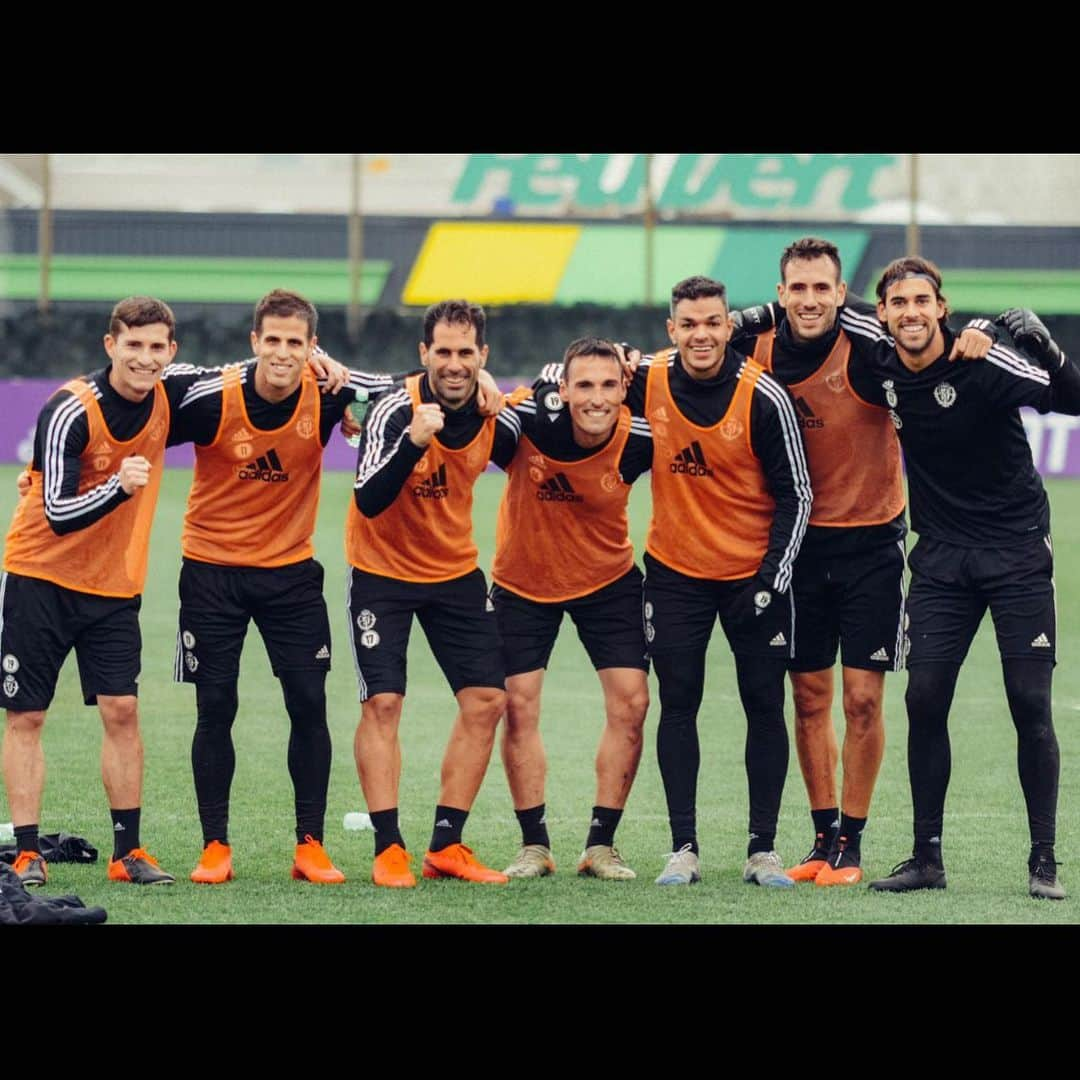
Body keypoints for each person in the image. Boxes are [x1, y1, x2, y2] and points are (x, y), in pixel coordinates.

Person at [832, 258, 1080, 900]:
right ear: (883, 314)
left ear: (941, 307)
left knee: (1029, 704)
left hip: (1018, 553)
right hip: (941, 559)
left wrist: (1041, 342)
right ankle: (927, 860)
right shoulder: (879, 354)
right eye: (897, 303)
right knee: (923, 700)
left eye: (922, 300)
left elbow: (1073, 400)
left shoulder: (986, 362)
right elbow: (827, 297)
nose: (910, 312)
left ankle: (1044, 862)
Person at [172, 289, 402, 886]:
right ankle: (215, 847)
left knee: (308, 704)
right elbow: (144, 395)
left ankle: (310, 846)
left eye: (294, 342)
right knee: (215, 707)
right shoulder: (211, 397)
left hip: (291, 575)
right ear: (254, 342)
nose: (281, 352)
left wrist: (349, 379)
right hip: (211, 573)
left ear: (311, 348)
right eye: (271, 339)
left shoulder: (328, 393)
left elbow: (405, 387)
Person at [627, 276, 813, 888]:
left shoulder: (764, 397)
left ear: (728, 327)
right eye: (689, 323)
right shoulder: (645, 378)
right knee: (678, 705)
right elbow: (579, 381)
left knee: (765, 707)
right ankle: (684, 848)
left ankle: (763, 851)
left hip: (751, 581)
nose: (701, 334)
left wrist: (772, 579)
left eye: (713, 322)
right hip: (675, 576)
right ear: (671, 330)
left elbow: (798, 496)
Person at [2, 297, 186, 887]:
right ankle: (28, 851)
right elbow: (56, 509)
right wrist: (118, 487)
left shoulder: (170, 390)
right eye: (133, 345)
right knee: (27, 714)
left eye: (157, 346)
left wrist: (324, 366)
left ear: (171, 352)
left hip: (110, 585)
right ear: (111, 346)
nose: (145, 357)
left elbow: (245, 375)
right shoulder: (70, 408)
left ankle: (127, 853)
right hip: (39, 576)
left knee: (123, 710)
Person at [346, 299, 518, 887]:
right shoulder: (397, 408)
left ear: (482, 357)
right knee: (383, 703)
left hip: (453, 574)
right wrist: (415, 441)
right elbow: (367, 497)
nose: (453, 363)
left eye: (465, 353)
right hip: (381, 572)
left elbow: (547, 410)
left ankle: (447, 843)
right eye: (442, 351)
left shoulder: (493, 410)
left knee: (488, 700)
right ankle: (389, 846)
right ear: (423, 354)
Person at [488, 338, 653, 880]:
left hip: (607, 581)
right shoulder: (527, 421)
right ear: (563, 389)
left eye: (608, 385)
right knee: (518, 705)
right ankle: (534, 845)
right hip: (524, 581)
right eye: (584, 385)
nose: (596, 398)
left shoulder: (639, 438)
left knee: (632, 704)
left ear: (624, 390)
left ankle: (601, 846)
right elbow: (474, 420)